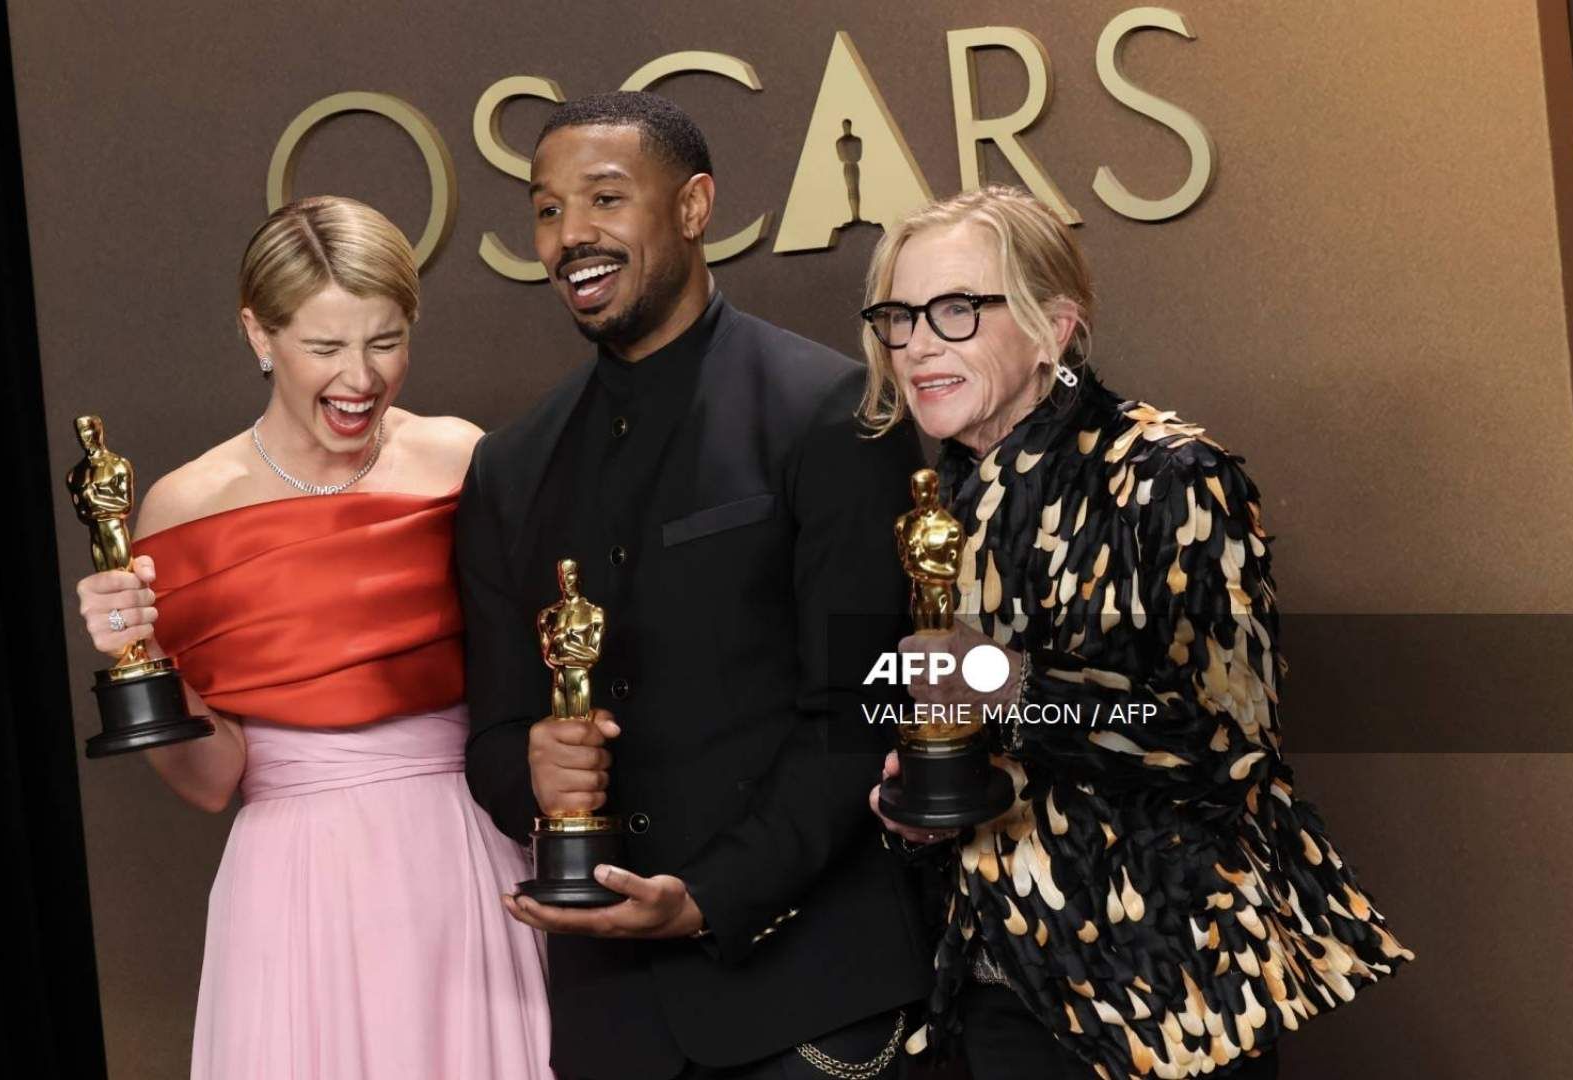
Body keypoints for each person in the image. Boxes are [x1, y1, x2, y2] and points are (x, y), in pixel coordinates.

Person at [860, 187, 1413, 1079]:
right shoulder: (944, 502)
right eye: (900, 315)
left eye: (956, 310)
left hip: (1169, 993)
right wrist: (922, 794)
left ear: (1054, 326)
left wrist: (1009, 686)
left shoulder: (1170, 474)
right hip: (999, 987)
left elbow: (1229, 748)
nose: (918, 342)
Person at [458, 91, 932, 1079]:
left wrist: (710, 896)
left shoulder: (830, 413)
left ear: (693, 206)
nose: (570, 236)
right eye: (547, 210)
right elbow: (497, 737)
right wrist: (529, 775)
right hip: (610, 1029)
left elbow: (856, 708)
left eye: (604, 199)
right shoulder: (509, 469)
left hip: (810, 995)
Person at [69, 195, 551, 1079]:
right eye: (325, 348)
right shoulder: (186, 506)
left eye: (385, 341)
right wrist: (141, 657)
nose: (359, 379)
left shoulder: (461, 460)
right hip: (295, 883)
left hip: (463, 853)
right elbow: (212, 781)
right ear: (259, 335)